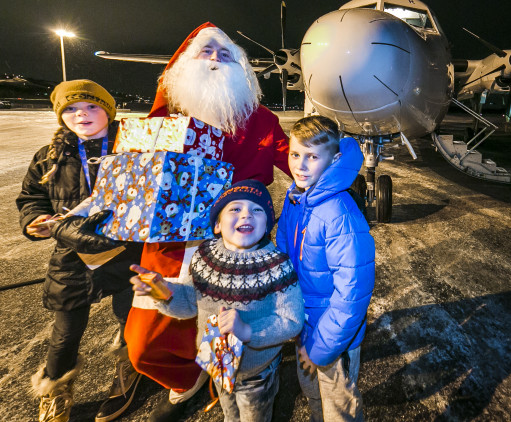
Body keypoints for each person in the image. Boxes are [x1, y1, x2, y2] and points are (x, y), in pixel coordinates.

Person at [124, 23, 291, 421]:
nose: (216, 60)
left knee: (226, 327)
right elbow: (136, 181)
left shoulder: (261, 119)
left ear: (241, 68)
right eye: (207, 52)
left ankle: (227, 379)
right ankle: (186, 378)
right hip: (170, 246)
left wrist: (336, 168)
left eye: (225, 53)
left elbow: (295, 158)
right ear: (184, 64)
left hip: (234, 241)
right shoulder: (164, 119)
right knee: (144, 342)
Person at [16, 80, 143, 422]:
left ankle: (128, 373)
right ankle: (55, 392)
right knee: (65, 333)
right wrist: (34, 219)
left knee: (129, 319)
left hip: (125, 252)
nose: (81, 114)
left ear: (109, 110)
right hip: (71, 255)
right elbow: (31, 199)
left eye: (91, 106)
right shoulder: (48, 156)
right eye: (71, 109)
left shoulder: (136, 149)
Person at [130, 180, 304, 422]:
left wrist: (248, 331)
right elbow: (191, 302)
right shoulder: (203, 256)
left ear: (267, 226)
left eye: (257, 210)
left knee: (254, 415)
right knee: (229, 412)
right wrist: (163, 293)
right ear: (216, 225)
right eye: (234, 209)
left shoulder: (277, 265)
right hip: (217, 361)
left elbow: (292, 320)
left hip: (256, 372)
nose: (246, 214)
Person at [275, 115, 375, 422]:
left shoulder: (339, 214)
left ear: (334, 159)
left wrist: (321, 349)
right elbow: (282, 260)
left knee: (339, 408)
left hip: (333, 338)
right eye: (295, 154)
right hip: (303, 326)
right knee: (314, 396)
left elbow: (352, 297)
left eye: (312, 157)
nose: (300, 166)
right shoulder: (295, 200)